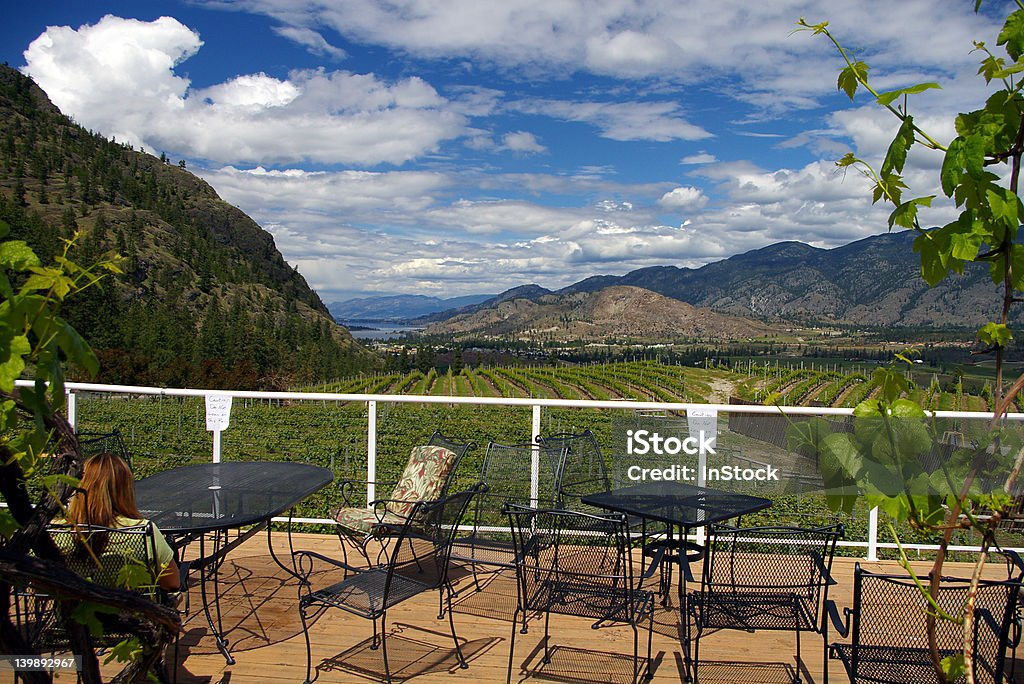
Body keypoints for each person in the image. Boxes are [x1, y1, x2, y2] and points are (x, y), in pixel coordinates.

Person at [59, 451, 181, 591]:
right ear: (126, 490)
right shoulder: (142, 530)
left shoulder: (57, 531)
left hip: (75, 611)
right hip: (132, 611)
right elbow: (172, 582)